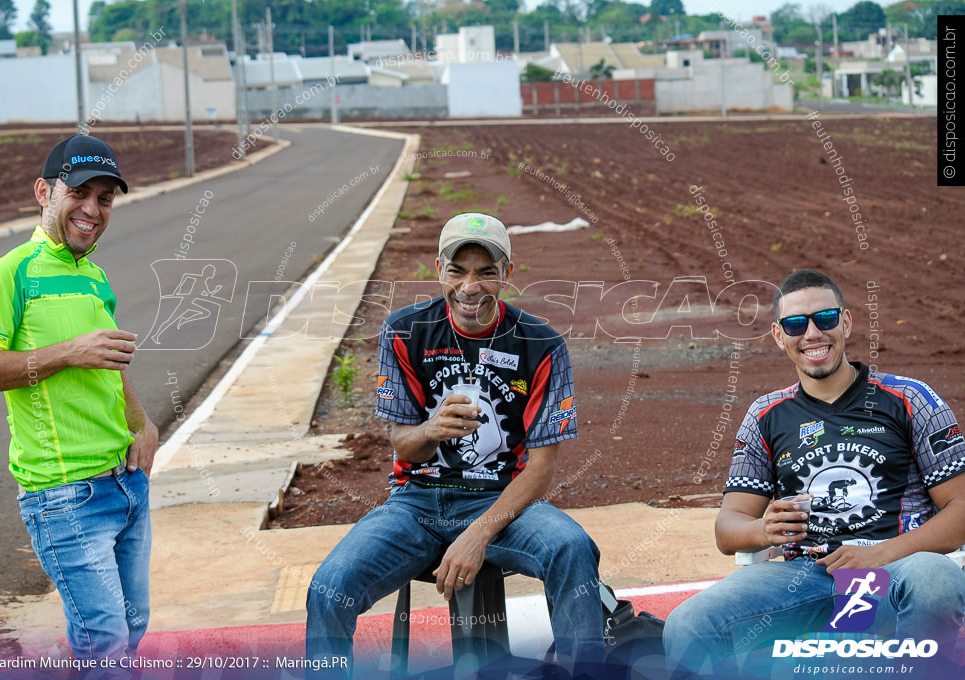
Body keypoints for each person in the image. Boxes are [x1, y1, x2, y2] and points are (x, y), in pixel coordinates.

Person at [305, 213, 605, 675]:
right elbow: (403, 445)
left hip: (502, 506)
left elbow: (541, 468)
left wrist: (479, 533)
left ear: (507, 273)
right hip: (414, 504)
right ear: (439, 269)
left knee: (571, 547)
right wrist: (431, 430)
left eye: (486, 272)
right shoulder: (405, 330)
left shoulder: (541, 344)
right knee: (328, 590)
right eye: (457, 270)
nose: (470, 287)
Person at [663, 269, 965, 675]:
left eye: (825, 319)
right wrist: (761, 530)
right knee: (687, 624)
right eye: (795, 324)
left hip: (897, 570)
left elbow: (961, 509)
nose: (812, 334)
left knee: (938, 582)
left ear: (846, 322)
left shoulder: (910, 399)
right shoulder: (766, 415)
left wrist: (878, 555)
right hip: (805, 577)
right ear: (778, 335)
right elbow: (727, 528)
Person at [0, 135, 158, 668]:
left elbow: (108, 363)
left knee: (130, 634)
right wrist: (70, 351)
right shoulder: (11, 273)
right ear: (44, 191)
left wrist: (143, 423)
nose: (92, 210)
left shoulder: (93, 275)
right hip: (65, 497)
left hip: (126, 483)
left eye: (106, 198)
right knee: (106, 646)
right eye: (80, 193)